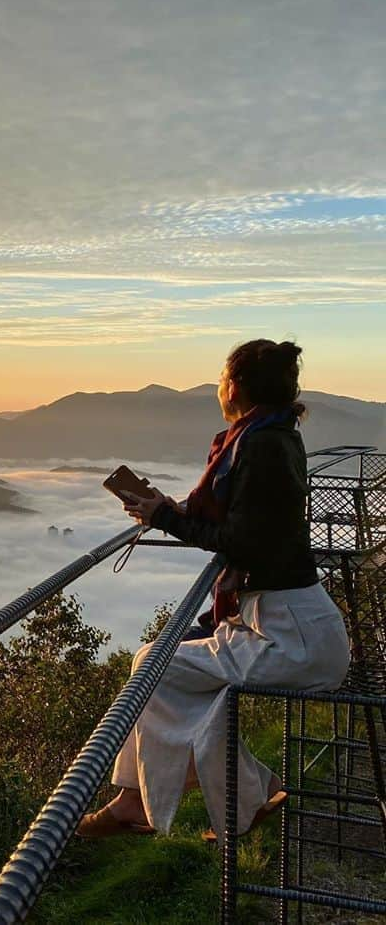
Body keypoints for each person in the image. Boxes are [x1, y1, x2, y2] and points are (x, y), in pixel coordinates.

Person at [76, 339, 351, 841]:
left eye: (222, 378)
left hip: (292, 637)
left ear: (237, 387)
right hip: (284, 624)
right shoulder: (269, 436)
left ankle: (146, 802)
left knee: (157, 669)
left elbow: (241, 540)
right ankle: (158, 798)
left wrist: (165, 518)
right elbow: (248, 523)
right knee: (161, 666)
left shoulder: (262, 445)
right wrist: (173, 513)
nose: (218, 387)